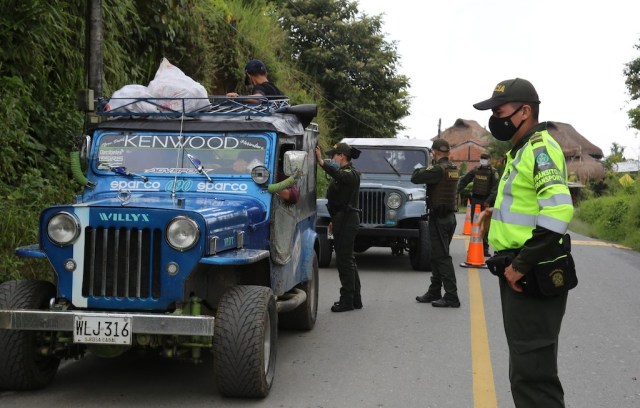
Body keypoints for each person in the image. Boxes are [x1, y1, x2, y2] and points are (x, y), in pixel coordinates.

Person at [473, 78, 574, 407]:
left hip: (531, 273)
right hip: (522, 271)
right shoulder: (522, 151)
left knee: (533, 375)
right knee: (525, 369)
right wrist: (493, 214)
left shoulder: (540, 149)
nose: (495, 119)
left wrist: (520, 264)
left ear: (524, 111)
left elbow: (558, 212)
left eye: (499, 111)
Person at [412, 139, 461, 308]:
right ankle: (434, 290)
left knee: (442, 257)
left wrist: (425, 166)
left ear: (434, 152)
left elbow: (415, 177)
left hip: (439, 219)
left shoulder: (437, 169)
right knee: (437, 255)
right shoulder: (453, 169)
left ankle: (451, 296)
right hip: (449, 218)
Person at [315, 142, 362, 312]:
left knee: (344, 261)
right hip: (341, 218)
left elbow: (343, 178)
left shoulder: (351, 173)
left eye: (334, 155)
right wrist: (333, 220)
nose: (331, 158)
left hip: (348, 219)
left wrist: (322, 163)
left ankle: (347, 300)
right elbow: (338, 200)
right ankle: (355, 298)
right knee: (348, 259)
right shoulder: (342, 173)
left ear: (341, 156)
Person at [457, 152, 500, 256]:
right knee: (475, 224)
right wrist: (456, 190)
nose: (483, 160)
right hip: (476, 200)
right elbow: (464, 180)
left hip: (486, 202)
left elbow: (495, 189)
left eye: (485, 158)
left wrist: (488, 201)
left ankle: (484, 249)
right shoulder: (476, 170)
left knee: (485, 225)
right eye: (481, 158)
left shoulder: (493, 172)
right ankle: (474, 246)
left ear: (489, 159)